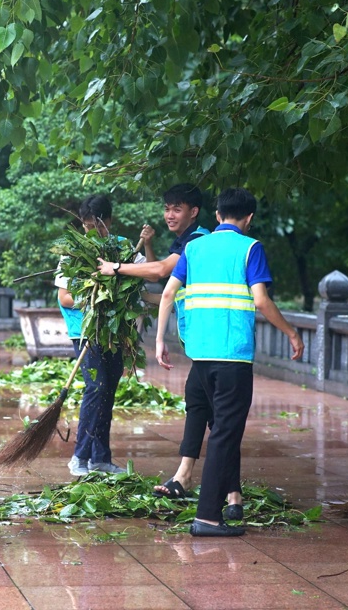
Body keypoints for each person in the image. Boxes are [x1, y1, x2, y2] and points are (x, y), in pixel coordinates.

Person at [155, 188, 304, 536]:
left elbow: (167, 293)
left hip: (200, 355)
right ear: (249, 218)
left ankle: (228, 500)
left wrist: (161, 339)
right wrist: (291, 333)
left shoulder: (193, 247)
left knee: (222, 429)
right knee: (224, 433)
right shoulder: (250, 248)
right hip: (233, 356)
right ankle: (207, 516)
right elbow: (262, 301)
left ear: (218, 215)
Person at [95, 184, 221, 503]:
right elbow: (163, 291)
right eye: (166, 208)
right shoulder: (185, 239)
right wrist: (130, 299)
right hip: (201, 342)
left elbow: (162, 272)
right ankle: (191, 477)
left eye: (176, 209)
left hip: (216, 340)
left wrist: (116, 269)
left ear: (194, 212)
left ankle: (223, 488)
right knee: (200, 406)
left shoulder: (197, 240)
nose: (169, 214)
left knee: (216, 414)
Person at [57, 194, 144, 477]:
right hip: (85, 330)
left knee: (108, 390)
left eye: (97, 228)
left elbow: (145, 274)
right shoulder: (73, 251)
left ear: (109, 221)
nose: (91, 234)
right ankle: (79, 458)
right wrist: (95, 297)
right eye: (86, 228)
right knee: (95, 388)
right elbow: (65, 297)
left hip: (114, 330)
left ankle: (101, 458)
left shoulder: (124, 247)